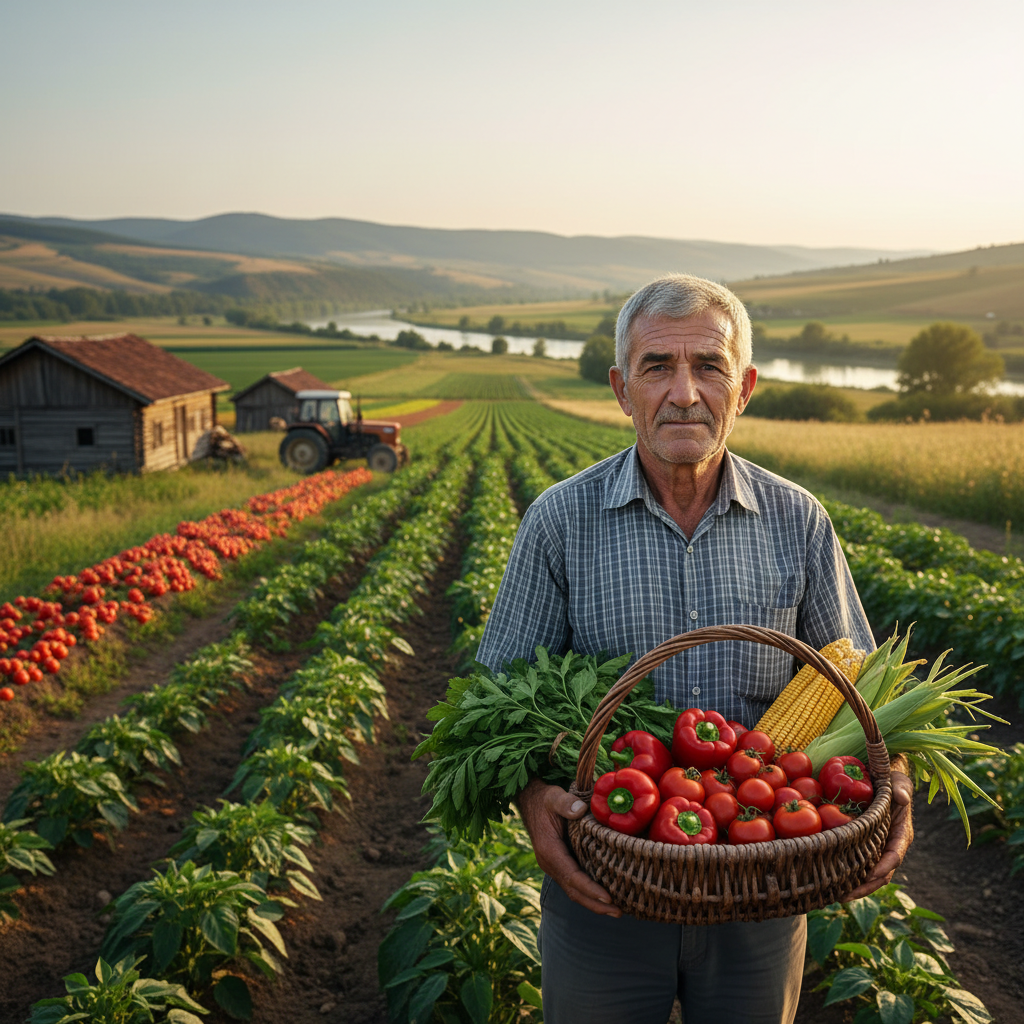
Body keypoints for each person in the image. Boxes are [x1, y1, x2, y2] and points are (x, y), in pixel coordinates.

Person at [475, 274, 914, 1024]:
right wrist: (531, 799)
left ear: (744, 387)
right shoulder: (559, 522)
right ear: (621, 390)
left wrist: (895, 785)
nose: (684, 393)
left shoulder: (798, 521)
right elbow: (493, 707)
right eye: (657, 367)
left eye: (708, 366)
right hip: (604, 890)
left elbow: (864, 693)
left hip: (764, 887)